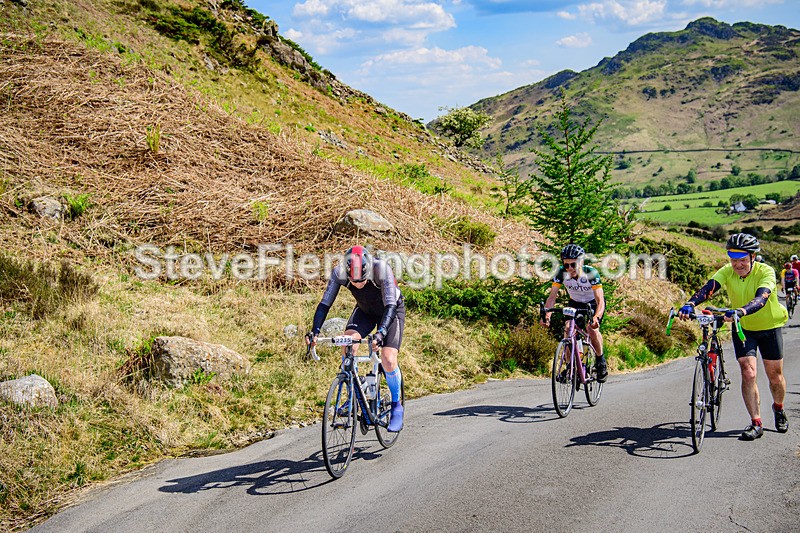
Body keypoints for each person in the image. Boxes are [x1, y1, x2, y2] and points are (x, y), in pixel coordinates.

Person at [678, 233, 789, 440]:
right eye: (733, 259)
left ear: (753, 257)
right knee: (748, 372)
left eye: (742, 260)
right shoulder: (727, 271)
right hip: (743, 328)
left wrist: (741, 310)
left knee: (775, 377)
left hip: (769, 327)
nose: (737, 264)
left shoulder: (766, 272)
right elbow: (709, 288)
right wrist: (690, 304)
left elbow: (761, 298)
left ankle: (779, 407)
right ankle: (756, 423)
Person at [306, 246, 405, 432]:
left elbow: (391, 306)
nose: (358, 284)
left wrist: (381, 333)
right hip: (365, 311)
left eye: (362, 280)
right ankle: (353, 395)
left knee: (388, 358)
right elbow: (324, 304)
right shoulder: (339, 272)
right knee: (347, 343)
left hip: (391, 311)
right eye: (354, 281)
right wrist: (315, 331)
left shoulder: (381, 269)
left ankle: (396, 406)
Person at [542, 244, 608, 382]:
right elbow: (552, 297)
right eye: (566, 265)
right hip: (575, 302)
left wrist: (596, 317)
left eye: (573, 264)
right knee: (568, 329)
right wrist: (547, 315)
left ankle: (600, 361)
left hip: (592, 303)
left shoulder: (591, 273)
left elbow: (600, 300)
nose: (570, 269)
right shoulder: (561, 273)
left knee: (591, 329)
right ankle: (571, 366)